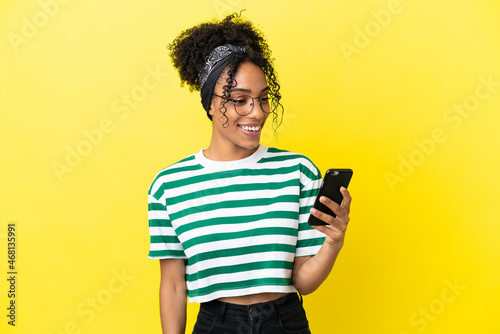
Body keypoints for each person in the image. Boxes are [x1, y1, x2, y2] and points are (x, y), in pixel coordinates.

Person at [147, 13, 352, 334]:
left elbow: (304, 281)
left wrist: (333, 243)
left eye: (263, 99)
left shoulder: (297, 172)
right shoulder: (169, 186)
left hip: (285, 321)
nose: (256, 112)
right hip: (217, 324)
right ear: (211, 105)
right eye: (240, 100)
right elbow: (173, 286)